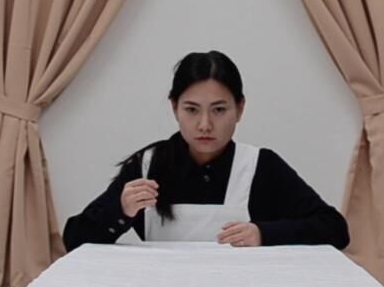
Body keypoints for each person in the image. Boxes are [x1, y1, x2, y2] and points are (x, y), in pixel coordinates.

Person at [63, 51, 349, 250]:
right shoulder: (148, 166)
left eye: (219, 110)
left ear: (240, 109)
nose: (205, 124)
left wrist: (264, 233)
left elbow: (334, 228)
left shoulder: (261, 166)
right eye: (191, 110)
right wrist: (120, 209)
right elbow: (74, 238)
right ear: (174, 108)